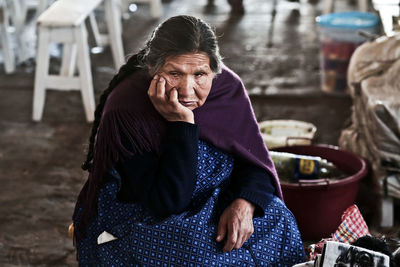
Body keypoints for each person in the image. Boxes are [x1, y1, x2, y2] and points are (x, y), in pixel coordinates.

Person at [72, 15, 306, 266]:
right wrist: (181, 123)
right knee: (196, 254)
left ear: (214, 71)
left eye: (199, 74)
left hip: (214, 198)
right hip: (146, 215)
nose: (187, 89)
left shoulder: (226, 90)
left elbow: (253, 159)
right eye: (174, 73)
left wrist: (245, 202)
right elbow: (167, 202)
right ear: (153, 69)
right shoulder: (128, 110)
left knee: (278, 217)